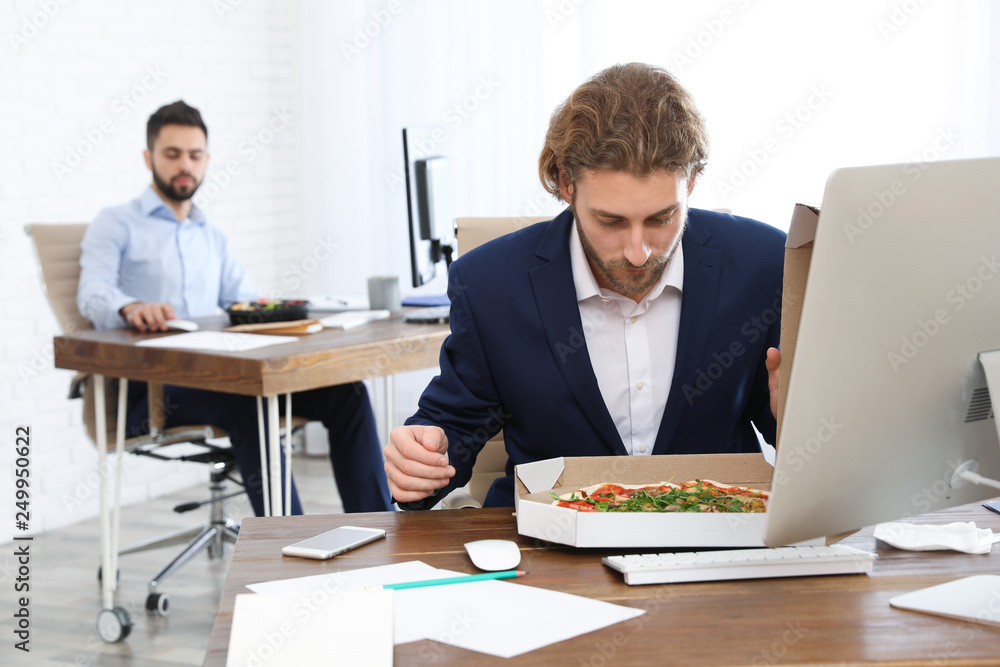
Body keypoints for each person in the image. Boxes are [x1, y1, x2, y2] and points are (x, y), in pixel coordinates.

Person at [385, 63, 785, 509]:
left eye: (661, 217)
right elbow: (453, 427)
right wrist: (422, 457)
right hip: (548, 545)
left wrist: (800, 422)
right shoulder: (489, 285)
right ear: (565, 183)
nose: (639, 252)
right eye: (611, 221)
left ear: (691, 182)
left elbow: (799, 442)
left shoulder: (764, 263)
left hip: (715, 538)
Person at [77, 100, 392, 516]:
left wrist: (286, 310)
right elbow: (92, 292)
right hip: (148, 392)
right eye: (172, 154)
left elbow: (240, 303)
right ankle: (292, 548)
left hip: (216, 374)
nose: (184, 164)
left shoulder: (210, 233)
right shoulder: (117, 222)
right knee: (251, 399)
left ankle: (381, 526)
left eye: (194, 155)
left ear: (206, 159)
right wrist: (130, 306)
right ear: (148, 157)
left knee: (346, 392)